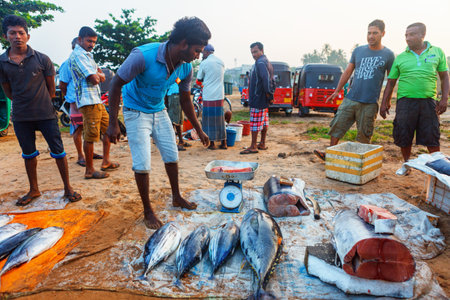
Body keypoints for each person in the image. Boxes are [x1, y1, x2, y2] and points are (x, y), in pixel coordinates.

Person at [106, 17, 211, 229]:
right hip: (135, 111)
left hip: (158, 110)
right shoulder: (143, 56)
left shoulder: (185, 68)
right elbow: (115, 84)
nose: (198, 55)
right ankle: (148, 211)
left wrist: (199, 129)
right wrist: (113, 122)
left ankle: (176, 197)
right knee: (142, 163)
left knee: (172, 155)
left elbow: (185, 99)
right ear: (183, 43)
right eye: (197, 50)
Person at [0, 15, 81, 205]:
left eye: (21, 33)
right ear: (6, 36)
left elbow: (51, 89)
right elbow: (8, 91)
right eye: (13, 33)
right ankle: (34, 189)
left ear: (28, 36)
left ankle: (68, 187)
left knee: (58, 152)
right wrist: (23, 102)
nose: (17, 36)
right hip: (21, 116)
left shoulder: (42, 59)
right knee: (28, 154)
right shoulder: (2, 63)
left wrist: (42, 102)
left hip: (45, 114)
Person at [314, 19, 395, 161]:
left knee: (365, 134)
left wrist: (386, 101)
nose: (371, 36)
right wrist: (336, 91)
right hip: (351, 98)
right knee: (337, 125)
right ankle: (330, 154)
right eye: (369, 33)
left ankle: (360, 160)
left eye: (375, 33)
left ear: (383, 33)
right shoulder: (358, 51)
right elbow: (347, 72)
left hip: (370, 102)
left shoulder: (388, 54)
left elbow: (391, 80)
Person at [380, 22, 448, 163]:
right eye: (406, 35)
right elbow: (391, 81)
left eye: (411, 34)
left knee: (432, 135)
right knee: (404, 135)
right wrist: (384, 102)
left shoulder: (437, 52)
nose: (408, 38)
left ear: (422, 35)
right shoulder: (401, 57)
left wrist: (444, 99)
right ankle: (406, 163)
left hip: (429, 101)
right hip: (405, 102)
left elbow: (444, 76)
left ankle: (437, 166)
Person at [69, 26, 119, 179]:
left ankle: (105, 161)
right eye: (89, 41)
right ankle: (89, 170)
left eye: (94, 42)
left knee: (108, 128)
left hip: (96, 100)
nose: (91, 44)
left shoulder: (87, 56)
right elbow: (95, 78)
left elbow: (101, 76)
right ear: (80, 39)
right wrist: (97, 75)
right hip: (87, 101)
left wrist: (98, 75)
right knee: (90, 136)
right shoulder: (78, 56)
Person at [59, 37, 103, 167]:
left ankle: (90, 153)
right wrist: (70, 98)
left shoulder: (88, 60)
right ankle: (80, 156)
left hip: (88, 100)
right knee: (78, 128)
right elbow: (62, 84)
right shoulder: (67, 63)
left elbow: (99, 75)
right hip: (76, 102)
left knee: (89, 127)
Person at [240, 42, 274, 155]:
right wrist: (270, 95)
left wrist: (269, 94)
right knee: (264, 122)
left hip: (258, 98)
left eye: (255, 52)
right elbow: (271, 79)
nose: (253, 55)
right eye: (252, 53)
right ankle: (262, 143)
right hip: (262, 98)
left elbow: (266, 79)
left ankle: (253, 146)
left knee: (255, 123)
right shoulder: (266, 62)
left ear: (261, 50)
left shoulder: (260, 63)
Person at [196, 44, 227, 150]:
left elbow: (199, 79)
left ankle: (212, 144)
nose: (202, 55)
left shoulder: (204, 63)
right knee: (220, 118)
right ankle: (224, 142)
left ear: (207, 52)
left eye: (202, 52)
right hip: (219, 95)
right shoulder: (221, 62)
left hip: (209, 94)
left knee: (209, 119)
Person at [165, 82, 191, 151]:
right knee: (173, 121)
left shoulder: (178, 72)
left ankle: (180, 140)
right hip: (174, 94)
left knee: (178, 120)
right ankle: (172, 143)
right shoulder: (175, 72)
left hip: (177, 95)